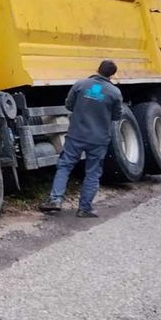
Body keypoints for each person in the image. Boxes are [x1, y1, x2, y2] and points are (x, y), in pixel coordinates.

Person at [41, 60, 123, 217]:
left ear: (98, 69)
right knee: (93, 172)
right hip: (99, 139)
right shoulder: (115, 93)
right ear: (112, 75)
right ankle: (85, 208)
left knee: (65, 166)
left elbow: (69, 105)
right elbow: (117, 116)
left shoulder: (81, 85)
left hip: (76, 135)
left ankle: (55, 199)